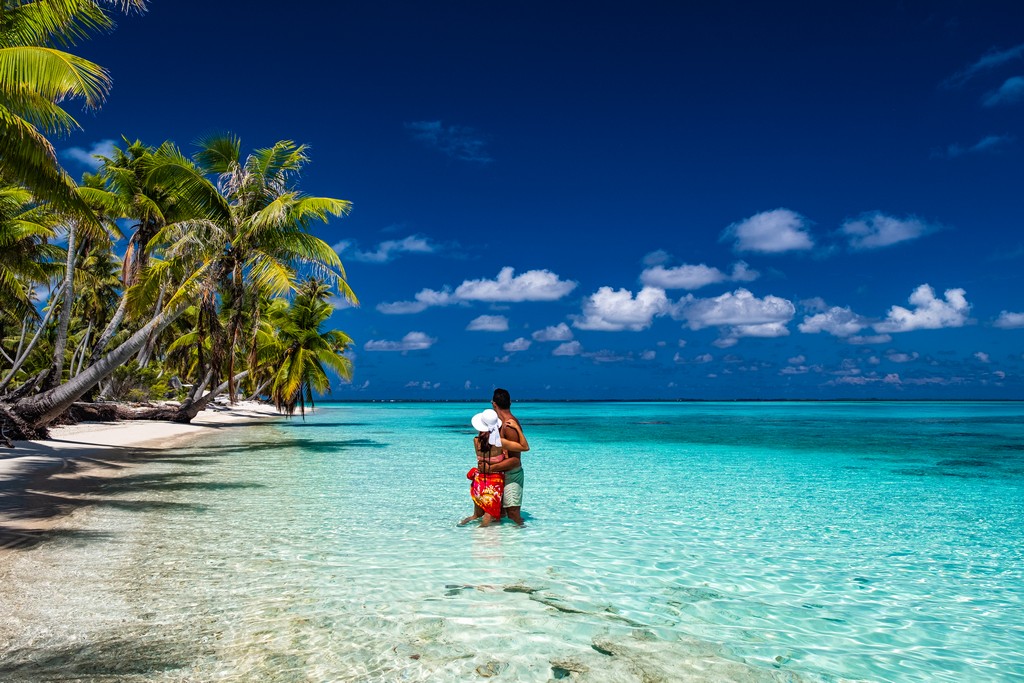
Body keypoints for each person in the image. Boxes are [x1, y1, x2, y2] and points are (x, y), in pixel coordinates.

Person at [481, 388, 529, 526]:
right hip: (501, 473)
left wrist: (491, 467)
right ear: (510, 403)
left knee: (513, 515)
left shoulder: (509, 425)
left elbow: (515, 460)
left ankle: (525, 542)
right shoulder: (499, 424)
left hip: (512, 474)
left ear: (493, 404)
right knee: (498, 514)